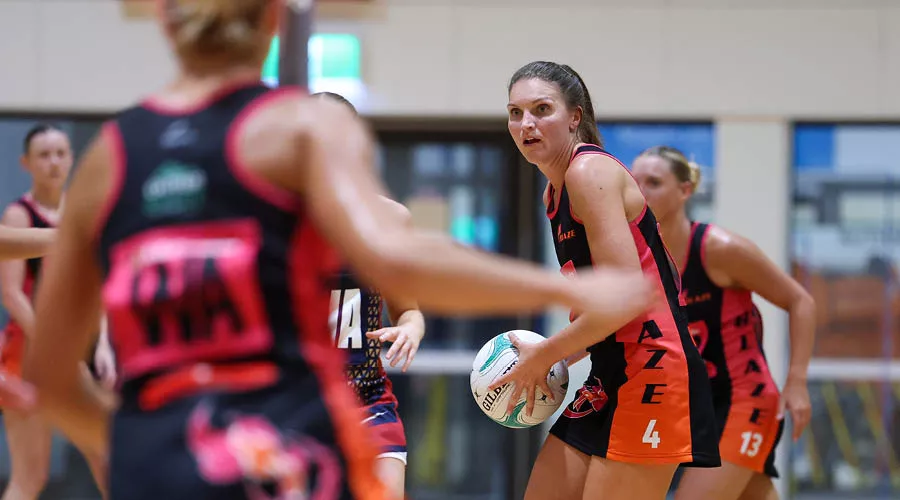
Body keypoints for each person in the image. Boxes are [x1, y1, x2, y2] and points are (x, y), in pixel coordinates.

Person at [20, 2, 654, 499]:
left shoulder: (109, 157)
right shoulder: (296, 130)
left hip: (160, 460)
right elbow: (400, 257)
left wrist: (139, 443)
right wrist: (559, 289)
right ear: (273, 20)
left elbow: (47, 375)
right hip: (277, 445)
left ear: (162, 18)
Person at [490, 61, 721, 500]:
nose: (526, 124)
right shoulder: (554, 192)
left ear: (574, 116)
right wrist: (546, 360)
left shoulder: (588, 172)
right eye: (515, 113)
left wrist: (546, 353)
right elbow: (602, 314)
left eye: (541, 109)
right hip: (610, 371)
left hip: (654, 368)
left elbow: (624, 300)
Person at [631, 146, 815, 500]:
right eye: (634, 182)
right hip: (692, 406)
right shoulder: (639, 257)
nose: (640, 192)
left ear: (685, 190)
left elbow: (800, 301)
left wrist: (797, 381)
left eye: (653, 182)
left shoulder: (719, 248)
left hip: (744, 398)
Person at [312, 91, 423, 500]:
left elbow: (409, 310)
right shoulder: (279, 216)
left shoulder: (389, 217)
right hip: (300, 402)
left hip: (367, 399)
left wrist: (410, 329)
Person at [0, 124, 113, 500]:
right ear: (26, 163)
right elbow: (12, 294)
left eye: (61, 153)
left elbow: (95, 287)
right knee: (30, 476)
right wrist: (57, 347)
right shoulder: (19, 215)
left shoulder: (81, 210)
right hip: (28, 350)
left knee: (108, 461)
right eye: (44, 155)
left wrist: (103, 343)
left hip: (80, 347)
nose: (53, 162)